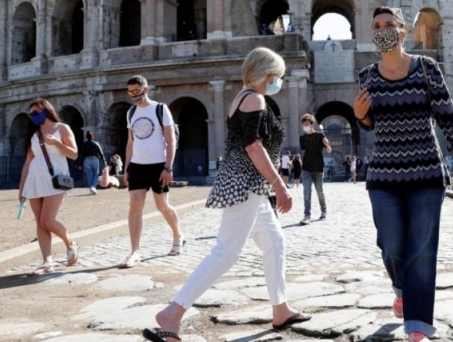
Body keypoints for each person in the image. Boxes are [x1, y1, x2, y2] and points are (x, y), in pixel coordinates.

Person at [144, 47, 310, 342]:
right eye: (278, 76)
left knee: (274, 243)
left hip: (250, 185)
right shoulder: (254, 99)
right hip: (246, 183)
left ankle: (280, 308)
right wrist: (280, 184)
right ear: (267, 73)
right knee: (227, 251)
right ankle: (173, 312)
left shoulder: (244, 97)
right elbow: (253, 147)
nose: (279, 81)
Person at [354, 6, 453, 342]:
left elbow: (447, 115)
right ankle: (400, 287)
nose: (383, 30)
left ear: (402, 32)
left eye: (389, 25)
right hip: (383, 176)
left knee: (422, 249)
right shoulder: (367, 75)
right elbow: (369, 123)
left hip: (426, 173)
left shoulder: (426, 68)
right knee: (392, 245)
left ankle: (417, 326)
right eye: (377, 26)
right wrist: (360, 116)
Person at [121, 75, 184, 269]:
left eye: (137, 92)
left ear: (145, 90)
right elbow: (130, 142)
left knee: (162, 206)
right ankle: (135, 252)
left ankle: (178, 234)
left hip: (158, 165)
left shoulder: (160, 109)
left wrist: (168, 167)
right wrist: (126, 168)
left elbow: (171, 140)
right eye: (130, 92)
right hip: (138, 165)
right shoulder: (131, 113)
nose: (134, 96)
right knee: (135, 206)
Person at [18, 98, 80, 276]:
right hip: (34, 180)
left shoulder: (62, 128)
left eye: (36, 113)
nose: (33, 117)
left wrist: (56, 143)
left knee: (47, 220)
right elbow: (28, 162)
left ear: (46, 111)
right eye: (31, 115)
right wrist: (22, 188)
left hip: (55, 179)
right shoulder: (34, 134)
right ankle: (47, 262)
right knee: (39, 222)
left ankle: (70, 243)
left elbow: (74, 154)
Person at [299, 113, 331, 225]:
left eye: (307, 124)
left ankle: (323, 211)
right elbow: (305, 151)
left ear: (312, 124)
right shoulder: (302, 138)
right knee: (306, 191)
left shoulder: (320, 136)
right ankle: (307, 215)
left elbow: (329, 151)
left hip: (318, 168)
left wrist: (327, 145)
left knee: (319, 192)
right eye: (304, 124)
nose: (305, 126)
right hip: (306, 168)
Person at [81, 131, 106, 195]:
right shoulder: (96, 143)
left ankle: (91, 189)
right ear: (93, 136)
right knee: (96, 175)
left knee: (89, 175)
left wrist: (80, 164)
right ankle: (93, 187)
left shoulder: (84, 144)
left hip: (86, 160)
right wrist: (104, 161)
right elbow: (101, 153)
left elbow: (82, 154)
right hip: (95, 159)